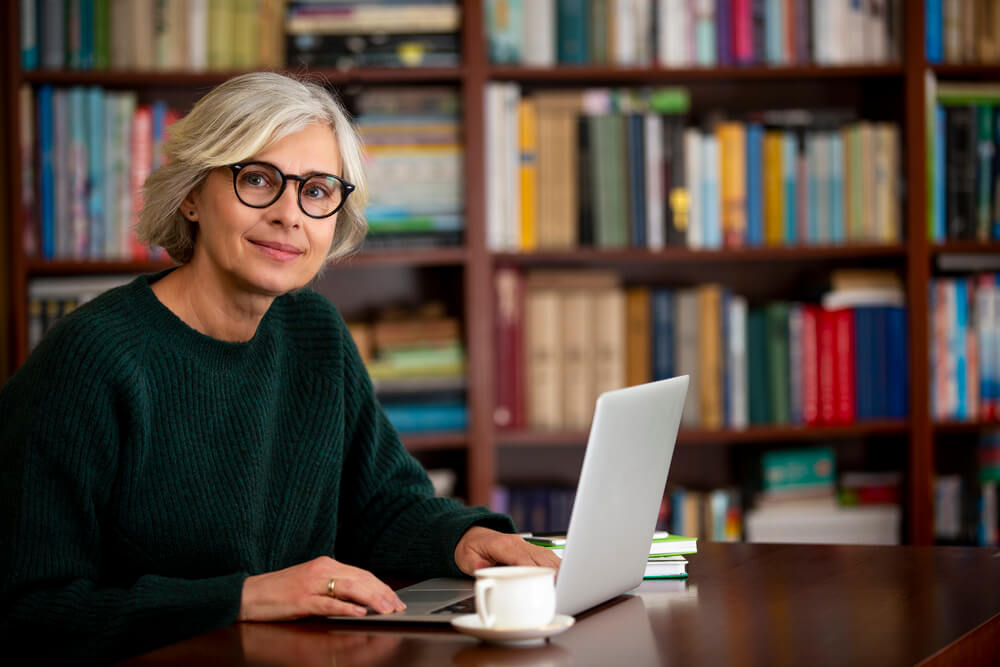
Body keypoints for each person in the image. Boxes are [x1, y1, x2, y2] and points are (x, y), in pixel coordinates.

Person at [0, 72, 559, 664]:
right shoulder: (92, 359)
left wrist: (465, 538)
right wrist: (242, 597)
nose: (291, 215)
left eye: (317, 191)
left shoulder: (314, 332)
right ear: (191, 195)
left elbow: (380, 507)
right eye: (259, 179)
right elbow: (28, 611)